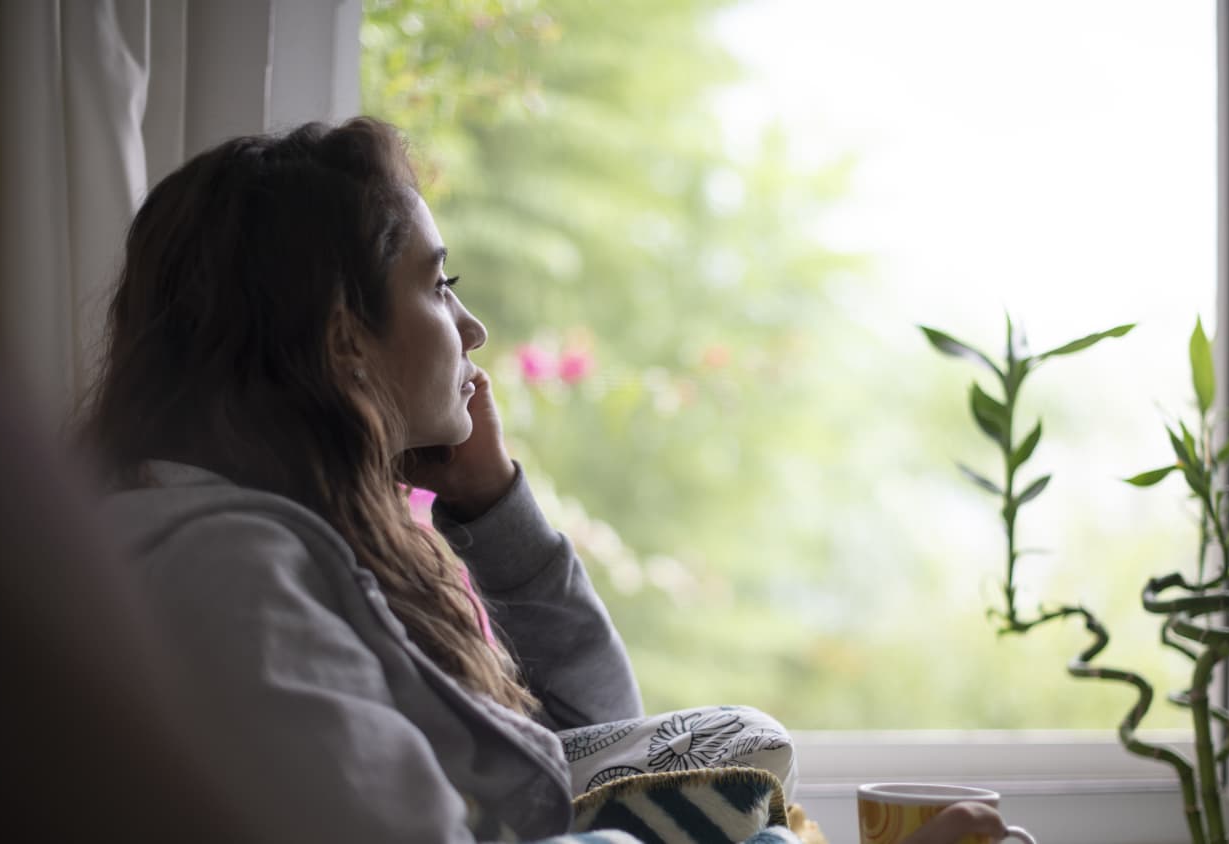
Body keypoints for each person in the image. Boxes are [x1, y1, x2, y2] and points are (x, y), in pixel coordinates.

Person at [75, 117, 1011, 844]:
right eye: (438, 285)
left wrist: (492, 510)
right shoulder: (231, 574)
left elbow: (568, 770)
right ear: (343, 336)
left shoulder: (300, 544)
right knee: (742, 776)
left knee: (736, 741)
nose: (471, 328)